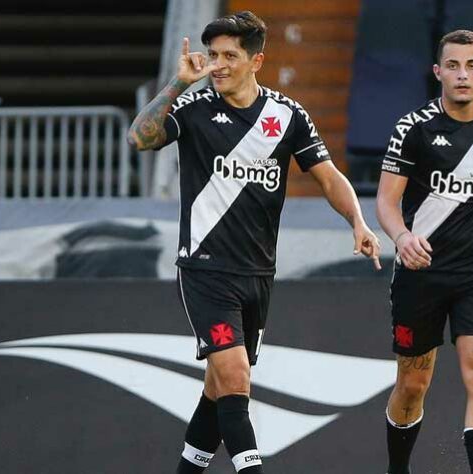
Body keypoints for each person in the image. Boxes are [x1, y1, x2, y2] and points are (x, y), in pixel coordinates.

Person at [128, 11, 381, 474]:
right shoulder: (195, 109)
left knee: (217, 388)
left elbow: (328, 178)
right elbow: (139, 137)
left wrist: (358, 223)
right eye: (213, 55)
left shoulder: (286, 116)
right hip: (205, 270)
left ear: (256, 60)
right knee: (237, 378)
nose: (218, 65)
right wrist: (178, 84)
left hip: (258, 274)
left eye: (230, 56)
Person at [375, 30, 473, 474]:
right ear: (438, 71)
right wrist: (402, 238)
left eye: (472, 66)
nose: (463, 75)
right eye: (454, 66)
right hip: (420, 272)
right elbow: (385, 201)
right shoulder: (413, 129)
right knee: (412, 383)